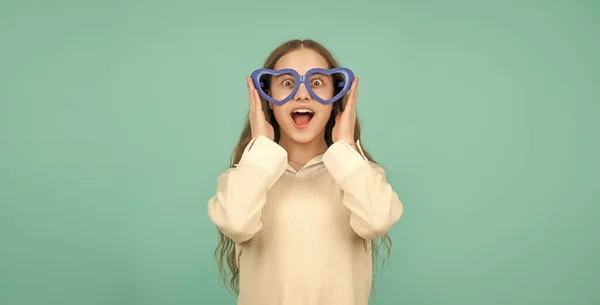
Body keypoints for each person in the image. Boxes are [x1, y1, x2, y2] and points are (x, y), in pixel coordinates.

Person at [207, 39, 404, 305]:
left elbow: (378, 220)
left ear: (336, 101)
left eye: (317, 82)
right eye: (287, 83)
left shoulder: (360, 177)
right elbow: (235, 222)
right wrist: (262, 147)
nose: (302, 94)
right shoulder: (244, 178)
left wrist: (345, 147)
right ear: (269, 101)